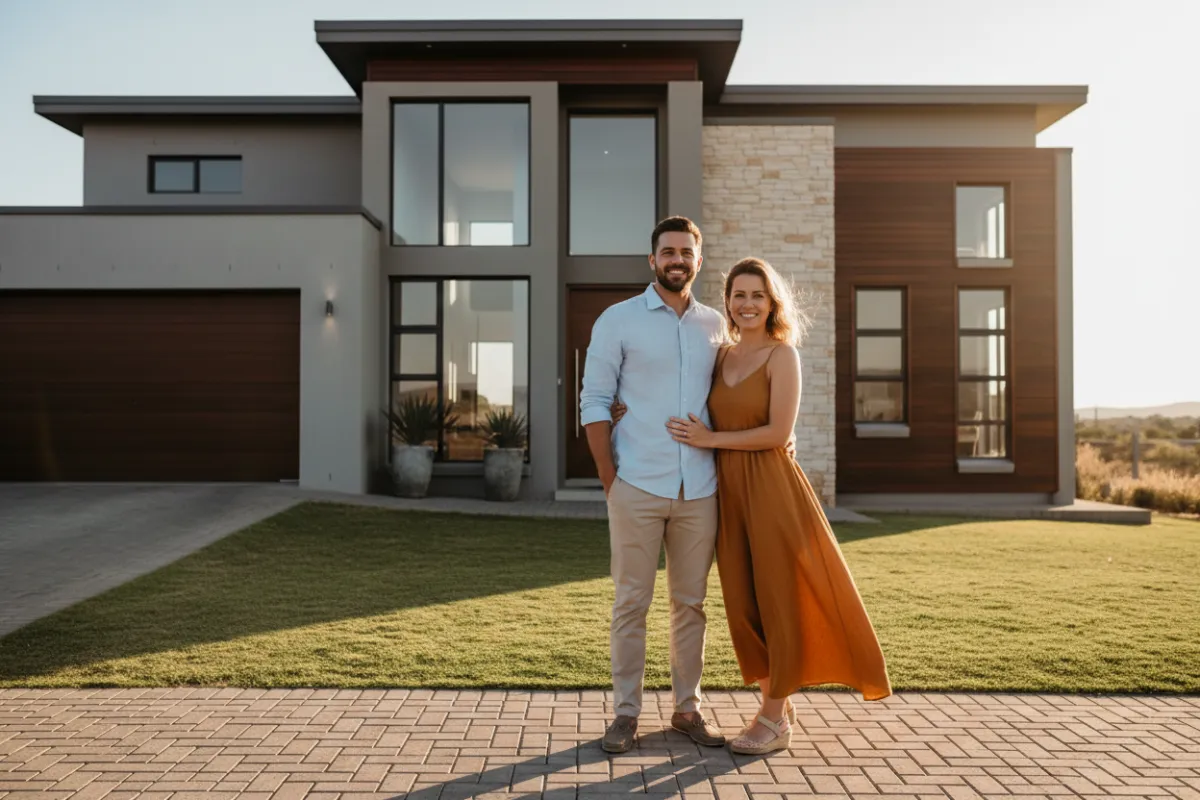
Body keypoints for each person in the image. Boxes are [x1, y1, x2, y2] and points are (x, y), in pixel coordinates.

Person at [663, 256, 892, 755]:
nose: (747, 304)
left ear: (772, 303)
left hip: (772, 493)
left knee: (777, 601)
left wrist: (710, 440)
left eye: (757, 296)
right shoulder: (720, 356)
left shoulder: (781, 355)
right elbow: (680, 394)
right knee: (743, 606)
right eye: (739, 295)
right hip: (729, 495)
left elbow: (777, 433)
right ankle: (777, 701)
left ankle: (772, 719)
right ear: (727, 302)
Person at [578, 215, 729, 754]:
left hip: (701, 491)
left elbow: (730, 397)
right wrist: (608, 478)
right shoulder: (617, 320)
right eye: (668, 252)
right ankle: (625, 714)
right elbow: (594, 400)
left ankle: (687, 709)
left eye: (686, 252)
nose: (676, 260)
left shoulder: (717, 325)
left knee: (691, 604)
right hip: (636, 484)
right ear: (652, 260)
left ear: (698, 260)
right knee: (631, 603)